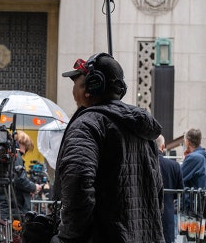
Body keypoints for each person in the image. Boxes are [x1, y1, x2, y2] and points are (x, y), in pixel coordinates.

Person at [51, 53, 165, 243]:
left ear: (91, 87)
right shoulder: (143, 132)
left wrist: (68, 236)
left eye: (76, 82)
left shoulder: (87, 125)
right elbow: (157, 193)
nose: (73, 90)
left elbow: (78, 181)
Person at [156, 135, 183, 243]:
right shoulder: (174, 166)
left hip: (144, 216)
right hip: (167, 215)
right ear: (162, 147)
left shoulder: (141, 164)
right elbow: (179, 191)